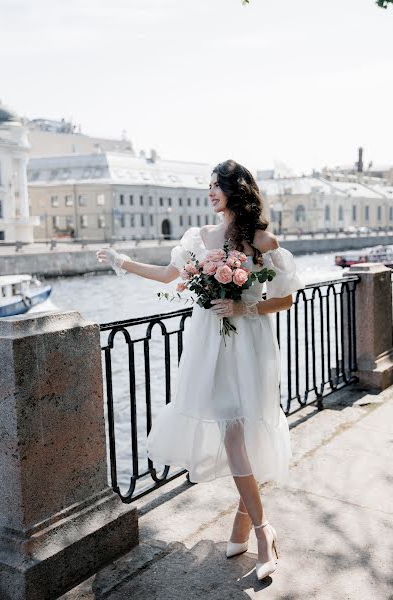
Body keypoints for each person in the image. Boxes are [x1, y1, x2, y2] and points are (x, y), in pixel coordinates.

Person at [97, 159, 304, 581]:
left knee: (243, 432)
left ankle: (259, 530)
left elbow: (286, 299)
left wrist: (245, 306)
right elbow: (170, 274)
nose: (210, 192)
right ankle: (251, 525)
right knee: (233, 432)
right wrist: (124, 262)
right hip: (211, 345)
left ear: (236, 189)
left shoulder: (263, 239)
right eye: (208, 185)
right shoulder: (200, 237)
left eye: (217, 185)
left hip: (249, 343)